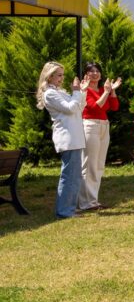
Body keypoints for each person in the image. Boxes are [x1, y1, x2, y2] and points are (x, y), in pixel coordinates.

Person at [37, 62, 88, 219]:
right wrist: (76, 92)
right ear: (49, 76)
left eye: (62, 75)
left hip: (74, 136)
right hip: (67, 137)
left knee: (75, 175)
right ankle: (64, 211)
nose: (62, 78)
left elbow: (79, 107)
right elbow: (70, 108)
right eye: (59, 75)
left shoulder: (60, 91)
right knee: (69, 175)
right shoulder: (50, 94)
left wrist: (82, 91)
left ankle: (69, 208)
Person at [79, 62, 121, 212]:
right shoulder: (85, 91)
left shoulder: (103, 89)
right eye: (91, 71)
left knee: (99, 164)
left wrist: (112, 91)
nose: (95, 74)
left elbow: (114, 107)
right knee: (89, 164)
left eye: (97, 71)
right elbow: (95, 107)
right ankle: (86, 202)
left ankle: (93, 200)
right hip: (90, 125)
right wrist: (106, 92)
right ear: (86, 74)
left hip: (104, 125)